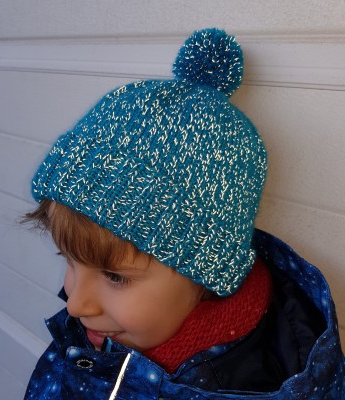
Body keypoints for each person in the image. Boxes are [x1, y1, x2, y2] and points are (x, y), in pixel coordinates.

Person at [23, 28, 344, 399]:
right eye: (69, 259)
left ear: (205, 276)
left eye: (115, 276)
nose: (75, 303)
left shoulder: (263, 384)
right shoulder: (99, 337)